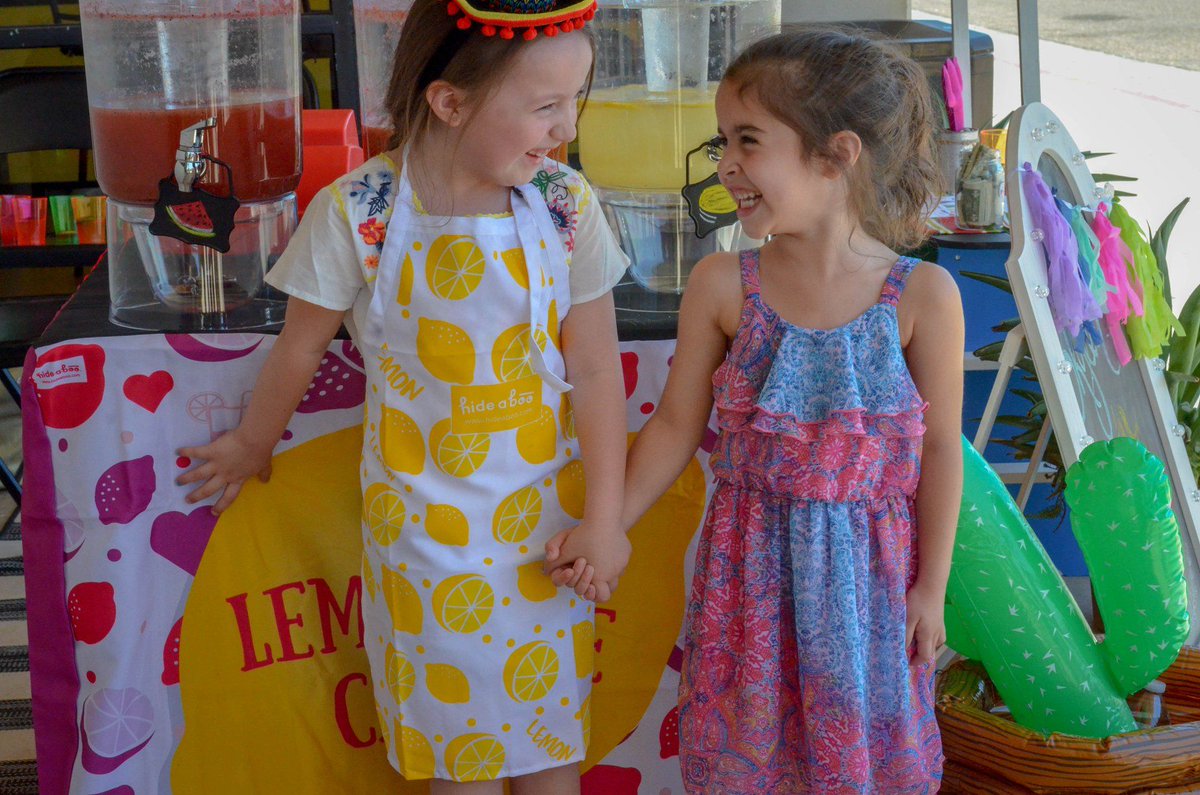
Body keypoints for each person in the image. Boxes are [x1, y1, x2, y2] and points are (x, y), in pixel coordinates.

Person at [179, 0, 630, 791]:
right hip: (424, 541)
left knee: (551, 742)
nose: (565, 130)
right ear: (449, 102)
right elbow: (300, 347)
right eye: (545, 107)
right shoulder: (362, 211)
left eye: (575, 101)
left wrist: (604, 519)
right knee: (461, 760)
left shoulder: (567, 205)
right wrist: (253, 442)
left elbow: (594, 370)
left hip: (546, 536)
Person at [548, 28, 963, 792]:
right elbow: (675, 426)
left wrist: (930, 589)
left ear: (837, 155)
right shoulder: (721, 284)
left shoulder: (923, 298)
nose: (726, 164)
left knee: (858, 767)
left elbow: (941, 453)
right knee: (747, 762)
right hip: (750, 586)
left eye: (748, 140)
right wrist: (608, 526)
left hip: (869, 592)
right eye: (721, 141)